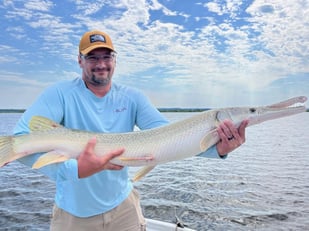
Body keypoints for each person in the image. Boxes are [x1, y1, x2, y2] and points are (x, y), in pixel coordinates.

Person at [14, 30, 248, 231]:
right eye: (92, 57)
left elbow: (168, 137)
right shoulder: (59, 94)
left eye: (106, 57)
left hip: (124, 209)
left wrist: (216, 148)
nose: (101, 64)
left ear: (115, 60)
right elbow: (20, 141)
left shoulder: (132, 97)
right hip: (74, 216)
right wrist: (74, 169)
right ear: (79, 61)